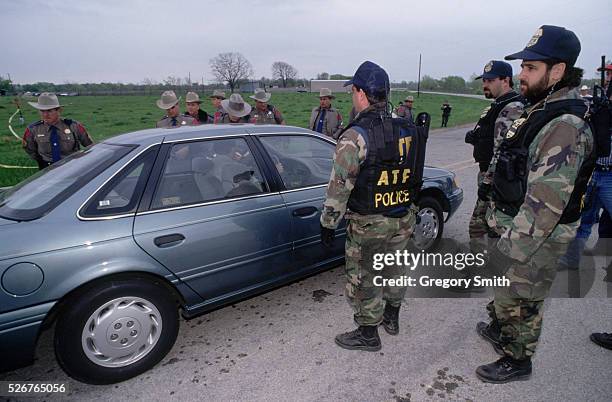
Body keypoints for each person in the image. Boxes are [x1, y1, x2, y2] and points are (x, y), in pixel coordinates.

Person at [476, 25, 595, 383]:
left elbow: (543, 209)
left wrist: (507, 252)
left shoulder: (565, 125)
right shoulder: (540, 109)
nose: (522, 75)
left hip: (534, 236)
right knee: (507, 293)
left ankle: (518, 359)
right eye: (523, 67)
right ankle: (501, 331)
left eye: (530, 68)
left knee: (522, 298)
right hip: (514, 224)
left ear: (556, 72)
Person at [320, 61, 427, 351]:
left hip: (370, 222)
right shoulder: (408, 129)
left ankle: (368, 333)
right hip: (403, 216)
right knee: (395, 269)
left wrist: (328, 223)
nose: (352, 97)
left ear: (362, 94)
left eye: (353, 91)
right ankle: (391, 317)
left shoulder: (355, 137)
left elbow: (339, 187)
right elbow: (415, 173)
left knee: (365, 277)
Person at [465, 60, 525, 254]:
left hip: (498, 180)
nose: (485, 84)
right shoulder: (498, 105)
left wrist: (487, 184)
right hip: (492, 177)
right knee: (488, 227)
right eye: (484, 80)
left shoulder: (512, 107)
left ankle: (485, 268)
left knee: (483, 226)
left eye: (490, 80)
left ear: (505, 80)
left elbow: (501, 151)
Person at [558, 60, 612, 270]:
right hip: (593, 171)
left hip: (609, 174)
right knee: (583, 219)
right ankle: (571, 259)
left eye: (609, 74)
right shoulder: (598, 100)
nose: (608, 77)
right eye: (606, 74)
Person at [23, 92, 93, 169]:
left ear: (59, 110)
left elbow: (90, 146)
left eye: (49, 111)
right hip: (47, 169)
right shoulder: (33, 129)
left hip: (72, 167)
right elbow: (30, 150)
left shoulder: (74, 126)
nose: (45, 115)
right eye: (42, 111)